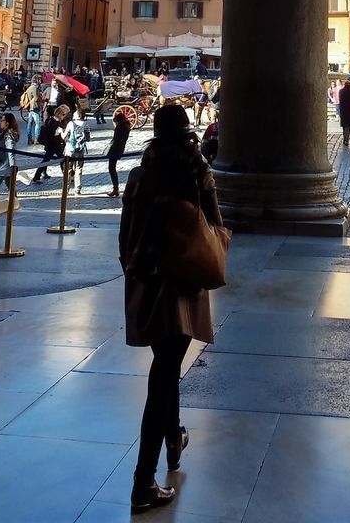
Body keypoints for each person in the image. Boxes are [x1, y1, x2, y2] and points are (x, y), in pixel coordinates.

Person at [119, 103, 224, 513]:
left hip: (146, 279)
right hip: (183, 280)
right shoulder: (196, 173)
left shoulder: (138, 177)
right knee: (163, 375)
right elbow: (215, 224)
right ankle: (143, 482)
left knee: (166, 364)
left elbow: (125, 235)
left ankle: (174, 441)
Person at [31, 103, 70, 183]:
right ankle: (67, 176)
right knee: (62, 159)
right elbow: (52, 134)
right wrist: (60, 132)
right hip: (54, 144)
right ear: (60, 114)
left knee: (47, 160)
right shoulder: (54, 122)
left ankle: (37, 176)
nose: (64, 116)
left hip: (52, 145)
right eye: (64, 115)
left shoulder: (51, 120)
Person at [62, 105, 90, 195]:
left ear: (76, 115)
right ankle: (77, 189)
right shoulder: (86, 124)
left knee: (68, 169)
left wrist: (60, 131)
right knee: (78, 169)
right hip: (80, 149)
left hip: (70, 149)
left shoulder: (70, 124)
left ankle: (66, 189)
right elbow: (88, 138)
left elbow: (64, 136)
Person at [0, 111, 20, 190]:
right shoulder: (6, 134)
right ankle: (14, 201)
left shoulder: (8, 137)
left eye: (2, 120)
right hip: (5, 165)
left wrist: (13, 167)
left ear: (7, 123)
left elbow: (11, 152)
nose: (0, 122)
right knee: (11, 188)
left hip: (4, 167)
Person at [107, 110, 132, 198]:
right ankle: (115, 188)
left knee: (111, 168)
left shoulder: (121, 127)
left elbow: (116, 140)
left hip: (115, 150)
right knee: (112, 168)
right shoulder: (126, 126)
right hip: (119, 149)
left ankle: (115, 188)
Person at [338, 79, 350, 148]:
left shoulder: (341, 91)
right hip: (349, 109)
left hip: (343, 109)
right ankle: (346, 139)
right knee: (348, 126)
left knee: (344, 125)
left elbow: (340, 99)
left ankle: (344, 138)